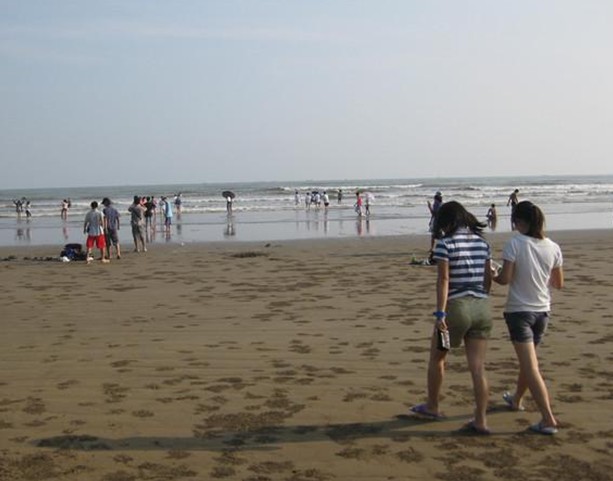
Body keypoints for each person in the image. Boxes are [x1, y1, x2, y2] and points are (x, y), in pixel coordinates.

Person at [411, 201, 493, 434]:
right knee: (477, 367)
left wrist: (440, 313)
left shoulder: (445, 245)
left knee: (438, 357)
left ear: (446, 222)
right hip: (481, 309)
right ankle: (480, 420)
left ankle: (433, 406)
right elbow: (487, 278)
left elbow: (444, 280)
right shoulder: (482, 244)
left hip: (456, 310)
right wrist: (482, 298)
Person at [493, 201, 563, 435]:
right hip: (542, 311)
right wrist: (538, 275)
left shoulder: (515, 243)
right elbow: (558, 283)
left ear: (519, 222)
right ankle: (516, 399)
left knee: (531, 366)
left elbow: (505, 279)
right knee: (528, 361)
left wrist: (492, 274)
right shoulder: (553, 246)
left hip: (519, 311)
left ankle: (548, 418)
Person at [427, 192, 443, 258]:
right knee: (435, 236)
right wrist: (431, 221)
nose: (434, 200)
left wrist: (429, 207)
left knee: (437, 236)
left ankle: (435, 248)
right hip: (438, 221)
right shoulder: (441, 204)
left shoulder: (437, 204)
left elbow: (434, 213)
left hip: (437, 222)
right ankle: (433, 248)